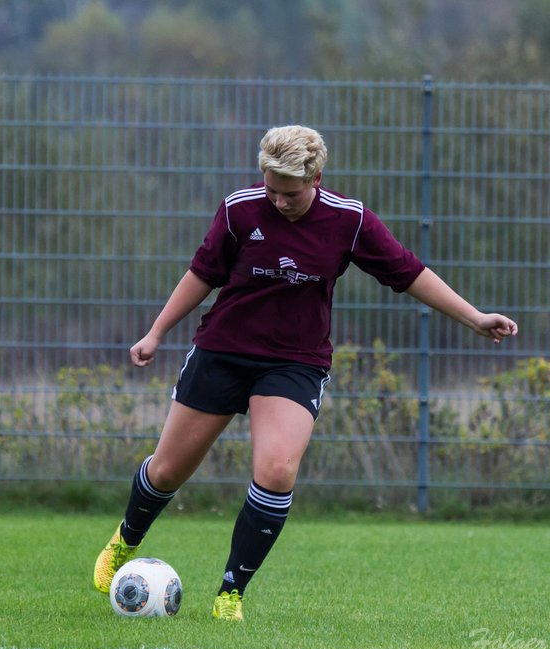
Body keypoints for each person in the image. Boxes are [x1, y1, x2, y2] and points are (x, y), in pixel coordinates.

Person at [93, 125, 517, 620]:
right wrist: (156, 332)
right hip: (223, 352)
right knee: (167, 470)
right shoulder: (239, 209)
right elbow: (203, 273)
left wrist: (474, 317)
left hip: (294, 363)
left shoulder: (348, 220)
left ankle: (231, 593)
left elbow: (408, 272)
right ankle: (126, 539)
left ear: (316, 176)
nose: (277, 200)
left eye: (289, 193)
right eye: (270, 188)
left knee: (276, 471)